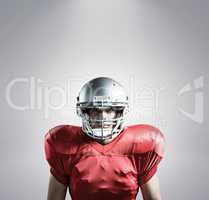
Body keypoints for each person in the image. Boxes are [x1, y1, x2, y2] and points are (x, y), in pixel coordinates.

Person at [44, 77, 165, 200]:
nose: (102, 117)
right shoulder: (63, 144)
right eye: (95, 110)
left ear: (121, 111)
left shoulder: (141, 145)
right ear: (84, 111)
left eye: (110, 110)